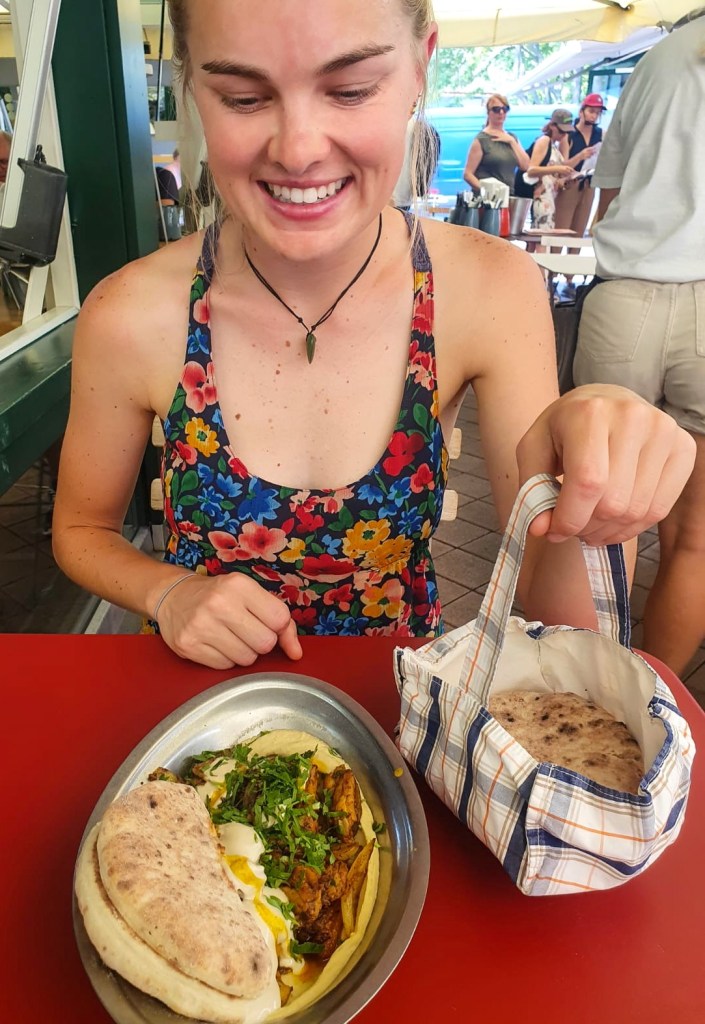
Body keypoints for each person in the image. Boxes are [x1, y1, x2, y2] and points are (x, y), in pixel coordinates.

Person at [52, 0, 695, 671]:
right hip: (196, 702)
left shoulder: (489, 286)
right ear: (192, 88)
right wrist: (167, 591)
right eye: (243, 97)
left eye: (351, 90)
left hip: (393, 701)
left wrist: (593, 484)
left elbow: (558, 626)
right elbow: (80, 528)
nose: (298, 149)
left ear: (420, 68)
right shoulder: (129, 310)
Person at [574, 14, 705, 678]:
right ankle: (658, 703)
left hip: (624, 296)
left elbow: (611, 195)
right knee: (693, 538)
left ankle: (594, 688)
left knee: (603, 522)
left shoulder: (656, 61)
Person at [553, 92, 605, 296]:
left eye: (597, 112)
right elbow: (562, 163)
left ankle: (570, 279)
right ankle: (553, 275)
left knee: (579, 229)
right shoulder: (570, 134)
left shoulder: (600, 134)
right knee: (561, 229)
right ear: (582, 111)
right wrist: (581, 156)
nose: (594, 115)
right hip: (570, 182)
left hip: (589, 183)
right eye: (591, 111)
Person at [519, 109, 577, 230]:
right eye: (561, 131)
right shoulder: (544, 141)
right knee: (542, 235)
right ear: (552, 126)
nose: (563, 135)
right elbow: (531, 170)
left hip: (550, 197)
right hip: (541, 198)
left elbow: (563, 163)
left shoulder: (554, 144)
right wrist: (557, 168)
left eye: (566, 132)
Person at [463, 94, 530, 194]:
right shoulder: (481, 139)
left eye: (505, 109)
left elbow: (526, 166)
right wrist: (486, 191)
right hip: (487, 199)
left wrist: (512, 142)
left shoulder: (512, 138)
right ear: (488, 113)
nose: (501, 112)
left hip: (508, 195)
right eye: (496, 109)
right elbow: (468, 174)